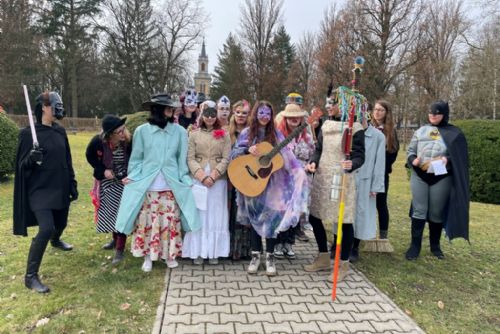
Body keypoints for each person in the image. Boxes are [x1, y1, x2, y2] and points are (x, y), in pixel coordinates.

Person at [115, 93, 200, 272]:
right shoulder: (142, 131)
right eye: (167, 107)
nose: (172, 110)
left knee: (170, 222)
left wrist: (184, 178)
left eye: (172, 107)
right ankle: (148, 256)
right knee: (148, 222)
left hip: (170, 185)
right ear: (158, 109)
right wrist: (134, 175)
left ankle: (169, 255)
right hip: (148, 185)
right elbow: (137, 158)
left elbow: (181, 159)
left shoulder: (180, 132)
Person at [231, 101, 308, 276]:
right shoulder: (246, 133)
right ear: (255, 114)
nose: (264, 116)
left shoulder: (276, 135)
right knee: (254, 220)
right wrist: (246, 151)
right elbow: (234, 154)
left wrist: (298, 171)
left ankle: (270, 257)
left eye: (267, 113)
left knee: (271, 220)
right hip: (253, 182)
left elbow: (286, 157)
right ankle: (255, 256)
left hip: (273, 185)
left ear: (271, 115)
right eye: (261, 113)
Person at [13, 91, 78, 293]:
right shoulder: (27, 134)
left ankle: (56, 240)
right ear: (44, 107)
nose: (57, 107)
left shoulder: (60, 132)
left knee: (61, 223)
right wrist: (31, 159)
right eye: (54, 104)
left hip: (59, 185)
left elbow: (67, 159)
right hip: (39, 190)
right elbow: (21, 167)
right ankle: (30, 277)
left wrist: (72, 182)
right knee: (46, 227)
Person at [304, 92, 365, 281]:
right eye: (327, 102)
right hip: (323, 176)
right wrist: (313, 162)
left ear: (344, 105)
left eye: (332, 103)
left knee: (344, 222)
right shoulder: (325, 125)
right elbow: (319, 149)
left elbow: (360, 155)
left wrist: (352, 163)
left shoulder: (355, 127)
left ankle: (343, 265)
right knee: (315, 217)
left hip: (342, 178)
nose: (328, 106)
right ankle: (323, 256)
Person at [405, 100, 469, 260]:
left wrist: (448, 159)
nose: (433, 115)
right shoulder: (420, 131)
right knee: (419, 210)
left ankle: (435, 246)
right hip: (420, 175)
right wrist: (413, 159)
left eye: (437, 113)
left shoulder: (454, 133)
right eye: (431, 112)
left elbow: (459, 156)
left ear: (444, 114)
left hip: (441, 177)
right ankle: (415, 246)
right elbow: (410, 150)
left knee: (436, 212)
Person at [182, 106, 231, 264]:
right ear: (202, 116)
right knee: (200, 214)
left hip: (218, 181)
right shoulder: (193, 134)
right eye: (206, 115)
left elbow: (226, 158)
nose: (209, 118)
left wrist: (214, 175)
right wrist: (202, 176)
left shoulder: (224, 134)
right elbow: (190, 158)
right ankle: (197, 251)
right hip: (199, 179)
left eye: (212, 115)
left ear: (216, 116)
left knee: (216, 214)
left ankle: (214, 251)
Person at [85, 115, 131, 264]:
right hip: (108, 182)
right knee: (112, 212)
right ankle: (115, 239)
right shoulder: (98, 142)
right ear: (110, 134)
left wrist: (131, 175)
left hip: (125, 182)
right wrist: (102, 170)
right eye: (119, 132)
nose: (123, 133)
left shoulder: (129, 142)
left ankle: (119, 249)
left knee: (121, 214)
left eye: (123, 129)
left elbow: (136, 159)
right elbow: (89, 156)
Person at [274, 103, 316, 257]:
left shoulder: (307, 137)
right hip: (283, 179)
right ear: (285, 118)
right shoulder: (278, 136)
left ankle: (289, 243)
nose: (294, 120)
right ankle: (278, 242)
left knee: (296, 211)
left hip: (301, 180)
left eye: (297, 117)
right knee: (282, 211)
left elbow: (312, 155)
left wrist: (310, 165)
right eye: (290, 117)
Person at [351, 113, 386, 262]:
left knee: (361, 214)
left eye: (362, 116)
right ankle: (339, 243)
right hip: (349, 177)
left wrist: (376, 186)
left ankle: (355, 247)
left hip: (366, 181)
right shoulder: (348, 131)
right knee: (344, 212)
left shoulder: (378, 137)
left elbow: (380, 163)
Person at [371, 99, 399, 249]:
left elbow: (393, 152)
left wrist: (382, 165)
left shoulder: (390, 131)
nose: (377, 112)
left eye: (381, 110)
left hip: (382, 173)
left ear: (386, 113)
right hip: (367, 171)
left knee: (381, 204)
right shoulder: (368, 127)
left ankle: (383, 236)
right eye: (375, 109)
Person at [228, 100, 252, 260]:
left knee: (247, 213)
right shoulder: (227, 133)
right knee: (233, 213)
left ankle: (247, 250)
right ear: (233, 113)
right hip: (231, 178)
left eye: (244, 113)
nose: (241, 116)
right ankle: (233, 250)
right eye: (238, 112)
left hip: (249, 177)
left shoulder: (252, 133)